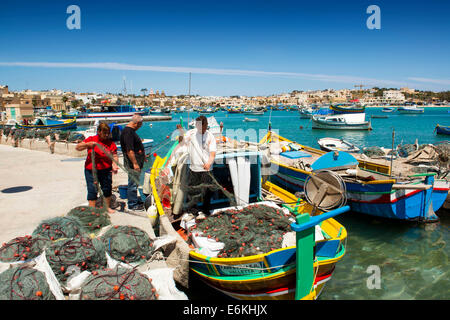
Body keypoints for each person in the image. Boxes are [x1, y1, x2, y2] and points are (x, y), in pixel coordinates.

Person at [177, 115, 217, 214]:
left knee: (207, 190)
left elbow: (212, 153)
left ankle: (206, 209)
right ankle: (193, 210)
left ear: (206, 125)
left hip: (206, 169)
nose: (200, 129)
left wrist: (209, 163)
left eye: (202, 127)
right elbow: (181, 142)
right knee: (193, 190)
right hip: (194, 168)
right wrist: (181, 131)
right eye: (198, 127)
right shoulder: (191, 133)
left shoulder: (210, 136)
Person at [76, 122, 118, 214]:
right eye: (104, 133)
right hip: (91, 170)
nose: (106, 135)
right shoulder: (91, 139)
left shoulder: (110, 143)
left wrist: (115, 165)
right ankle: (92, 210)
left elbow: (114, 155)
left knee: (107, 188)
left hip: (106, 170)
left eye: (108, 133)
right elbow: (78, 148)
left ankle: (106, 208)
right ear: (99, 131)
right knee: (92, 189)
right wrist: (88, 144)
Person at [120, 114, 146, 211]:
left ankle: (134, 200)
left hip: (136, 161)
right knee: (133, 183)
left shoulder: (130, 131)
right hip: (132, 164)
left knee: (134, 182)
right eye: (140, 125)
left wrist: (142, 156)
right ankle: (133, 204)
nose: (140, 127)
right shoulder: (128, 132)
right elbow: (129, 150)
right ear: (136, 123)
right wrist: (135, 163)